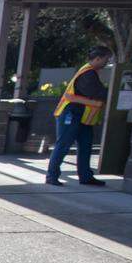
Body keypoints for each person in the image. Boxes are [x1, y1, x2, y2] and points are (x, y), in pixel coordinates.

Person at [46, 46, 112, 186]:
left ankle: (86, 176)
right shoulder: (88, 74)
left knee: (85, 145)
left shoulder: (89, 71)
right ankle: (52, 176)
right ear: (98, 58)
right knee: (63, 144)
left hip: (83, 115)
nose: (107, 62)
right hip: (70, 113)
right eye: (106, 59)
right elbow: (98, 93)